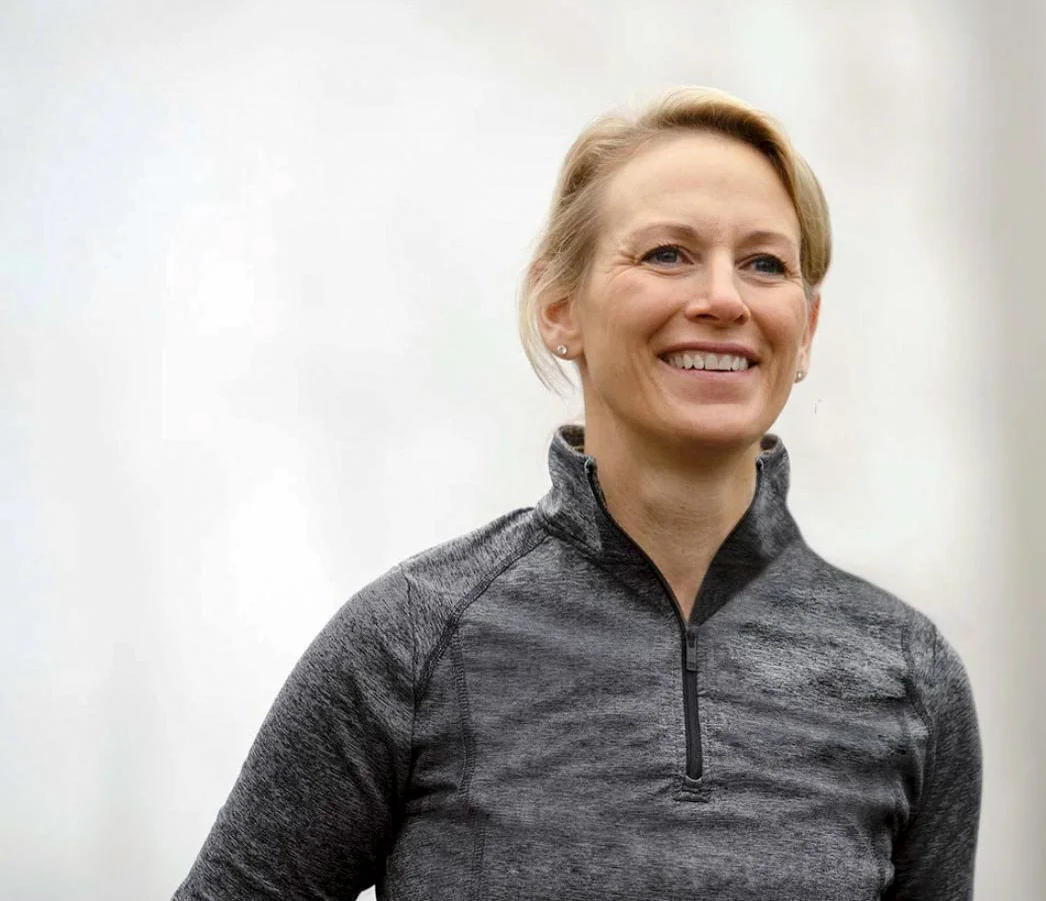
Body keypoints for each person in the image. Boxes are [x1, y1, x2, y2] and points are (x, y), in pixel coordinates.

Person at [173, 86, 982, 899]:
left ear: (803, 330)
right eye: (666, 254)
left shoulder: (906, 673)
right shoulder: (409, 643)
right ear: (560, 308)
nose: (723, 299)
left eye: (764, 264)